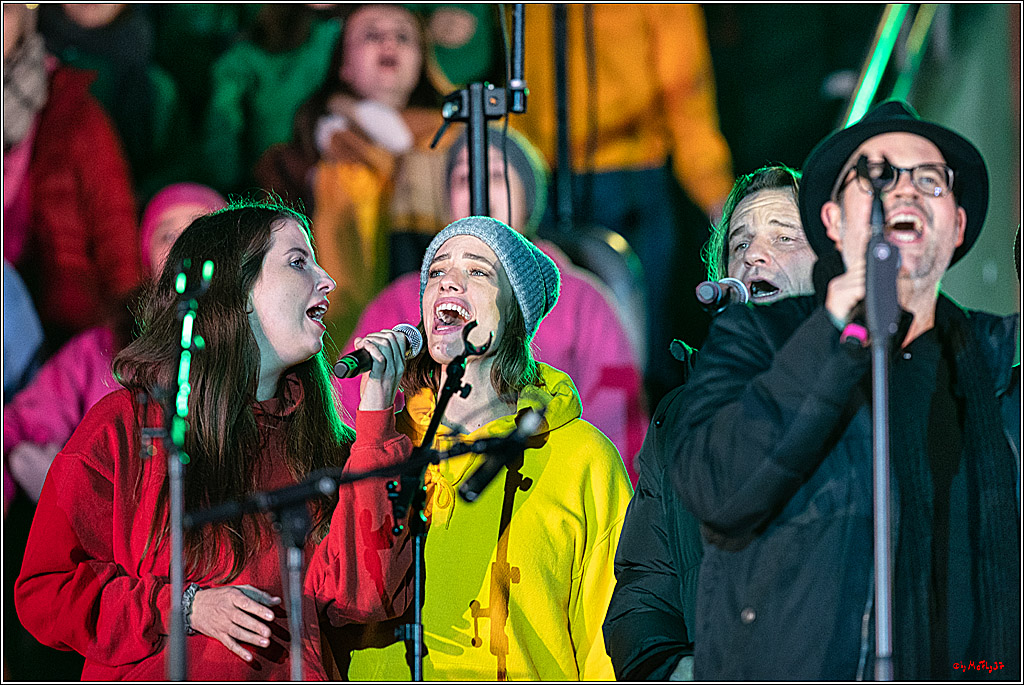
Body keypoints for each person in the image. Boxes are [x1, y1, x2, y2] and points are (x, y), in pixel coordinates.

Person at [671, 101, 1020, 680]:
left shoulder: (996, 364)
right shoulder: (755, 338)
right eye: (877, 177)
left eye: (929, 180)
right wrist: (832, 330)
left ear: (956, 226)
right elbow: (718, 489)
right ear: (832, 223)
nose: (903, 191)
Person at [14, 199, 415, 680]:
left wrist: (376, 422)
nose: (326, 280)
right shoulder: (125, 427)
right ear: (236, 290)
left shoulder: (327, 445)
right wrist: (184, 607)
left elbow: (364, 598)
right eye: (297, 262)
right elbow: (46, 589)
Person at [333, 216, 633, 680]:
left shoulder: (583, 458)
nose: (448, 280)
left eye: (477, 271)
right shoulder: (382, 449)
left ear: (515, 315)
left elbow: (607, 645)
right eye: (436, 272)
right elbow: (345, 596)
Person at [336, 127, 648, 482]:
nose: (479, 189)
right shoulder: (397, 303)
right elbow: (347, 422)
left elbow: (620, 429)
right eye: (464, 178)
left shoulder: (584, 301)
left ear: (527, 195)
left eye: (497, 175)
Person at [603, 165, 815, 680]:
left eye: (783, 238)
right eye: (738, 245)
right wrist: (672, 668)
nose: (753, 255)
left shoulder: (866, 390)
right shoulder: (680, 420)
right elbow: (644, 585)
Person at [513, 5, 736, 398]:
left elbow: (688, 93)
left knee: (638, 347)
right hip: (540, 178)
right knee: (544, 340)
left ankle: (637, 447)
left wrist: (716, 192)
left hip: (630, 176)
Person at [4, 183, 228, 504]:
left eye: (200, 232)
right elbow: (21, 424)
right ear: (148, 257)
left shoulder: (263, 344)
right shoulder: (102, 350)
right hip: (111, 530)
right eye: (167, 236)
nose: (183, 247)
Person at [3, 3, 142, 349]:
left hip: (60, 335)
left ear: (26, 20)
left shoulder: (72, 110)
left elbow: (115, 234)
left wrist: (126, 340)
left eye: (4, 14)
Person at [203, 4, 343, 195]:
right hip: (272, 185)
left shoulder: (333, 37)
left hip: (338, 176)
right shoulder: (240, 62)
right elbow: (222, 132)